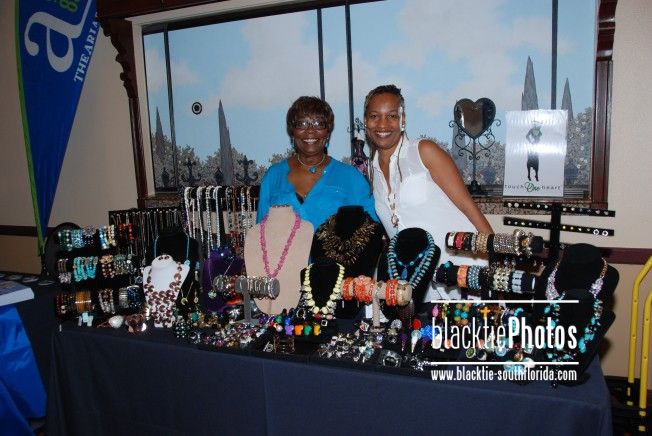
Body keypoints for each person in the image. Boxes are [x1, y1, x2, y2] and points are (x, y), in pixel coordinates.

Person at [364, 84, 493, 300]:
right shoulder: (372, 169)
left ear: (403, 120)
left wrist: (496, 261)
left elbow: (469, 208)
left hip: (465, 269)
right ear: (366, 121)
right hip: (421, 281)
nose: (382, 124)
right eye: (374, 116)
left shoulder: (423, 151)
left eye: (392, 116)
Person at [257, 96, 377, 229]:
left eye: (319, 123)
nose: (310, 130)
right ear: (292, 131)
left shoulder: (350, 176)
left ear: (328, 132)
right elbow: (260, 233)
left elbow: (372, 228)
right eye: (302, 124)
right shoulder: (274, 175)